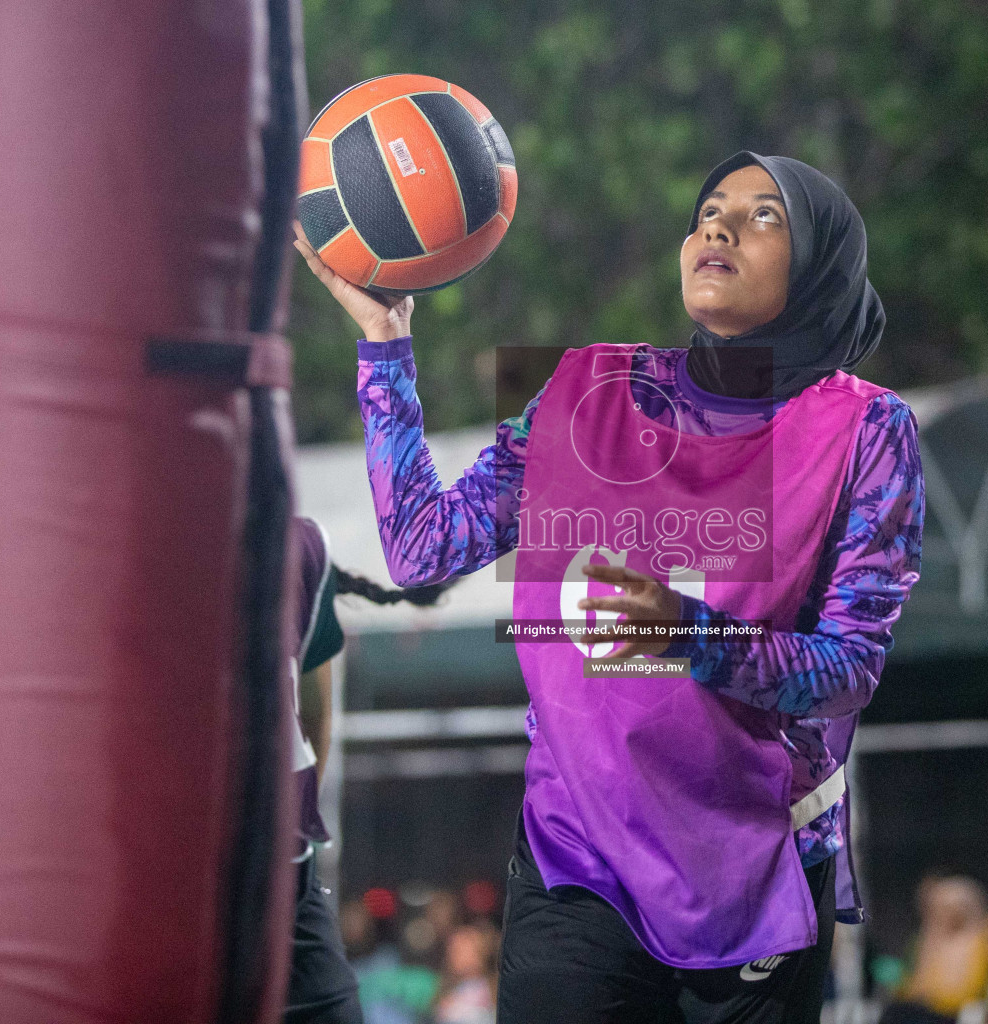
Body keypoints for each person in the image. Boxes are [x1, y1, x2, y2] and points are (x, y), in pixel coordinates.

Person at [294, 149, 925, 1024]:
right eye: (710, 207)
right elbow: (424, 548)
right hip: (575, 856)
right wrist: (386, 345)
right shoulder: (588, 389)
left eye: (763, 215)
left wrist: (688, 634)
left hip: (756, 865)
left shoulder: (865, 429)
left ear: (821, 264)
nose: (719, 225)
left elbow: (850, 667)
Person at [0, 517, 443, 1023]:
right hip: (121, 934)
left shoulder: (286, 550)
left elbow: (311, 706)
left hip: (279, 914)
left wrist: (285, 827)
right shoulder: (13, 585)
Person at [881, 876, 988, 1024]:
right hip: (924, 1010)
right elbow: (913, 985)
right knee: (895, 1011)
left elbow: (972, 991)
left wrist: (932, 996)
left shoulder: (978, 943)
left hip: (954, 1014)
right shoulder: (929, 943)